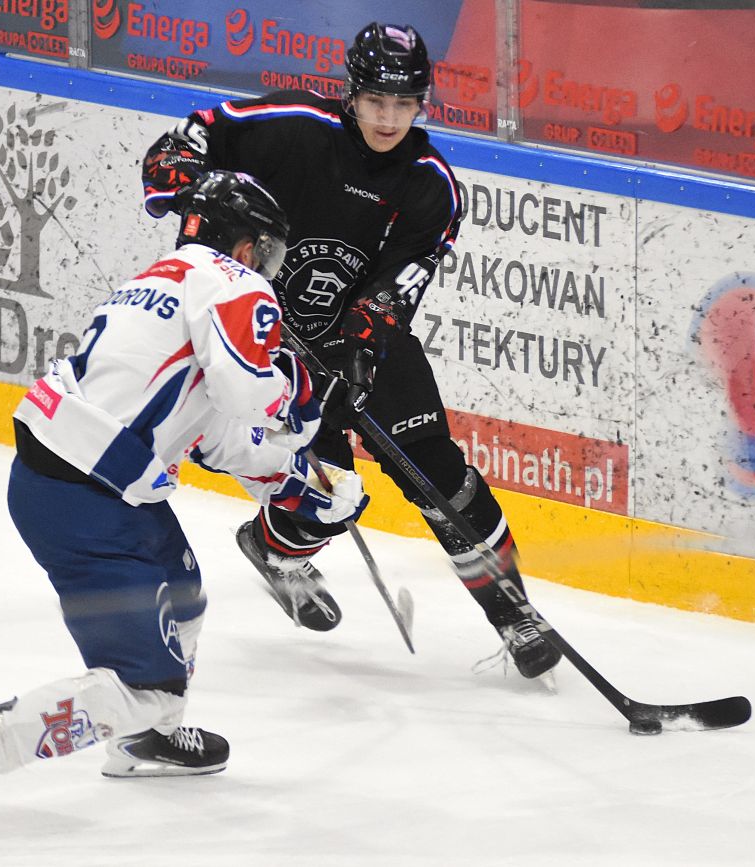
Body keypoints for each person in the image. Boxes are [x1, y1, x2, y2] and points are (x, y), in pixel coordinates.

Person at [0, 170, 369, 843]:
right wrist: (310, 394)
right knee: (146, 686)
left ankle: (148, 741)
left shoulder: (165, 282)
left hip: (85, 480)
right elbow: (250, 395)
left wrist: (302, 488)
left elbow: (222, 435)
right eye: (269, 253)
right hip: (88, 497)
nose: (267, 269)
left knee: (184, 596)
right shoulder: (233, 283)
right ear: (249, 246)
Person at [141, 22, 562, 680]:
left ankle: (514, 612)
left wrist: (359, 346)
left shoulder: (431, 186)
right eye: (376, 101)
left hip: (359, 343)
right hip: (264, 337)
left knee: (440, 474)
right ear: (352, 94)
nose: (389, 118)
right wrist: (181, 173)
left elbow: (400, 286)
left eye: (404, 104)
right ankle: (275, 549)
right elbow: (194, 135)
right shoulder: (293, 127)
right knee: (330, 493)